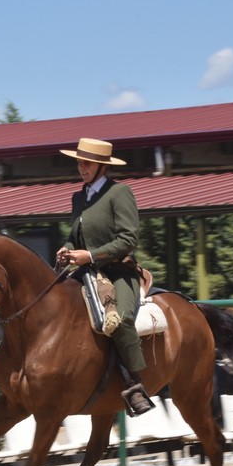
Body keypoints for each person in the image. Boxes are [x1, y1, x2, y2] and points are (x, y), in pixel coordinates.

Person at [55, 137, 153, 415]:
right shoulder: (78, 197)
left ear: (100, 166)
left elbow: (128, 240)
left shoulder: (119, 193)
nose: (80, 167)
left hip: (119, 272)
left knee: (120, 321)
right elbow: (77, 238)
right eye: (78, 162)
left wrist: (91, 255)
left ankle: (136, 385)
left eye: (86, 163)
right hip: (86, 273)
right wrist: (68, 249)